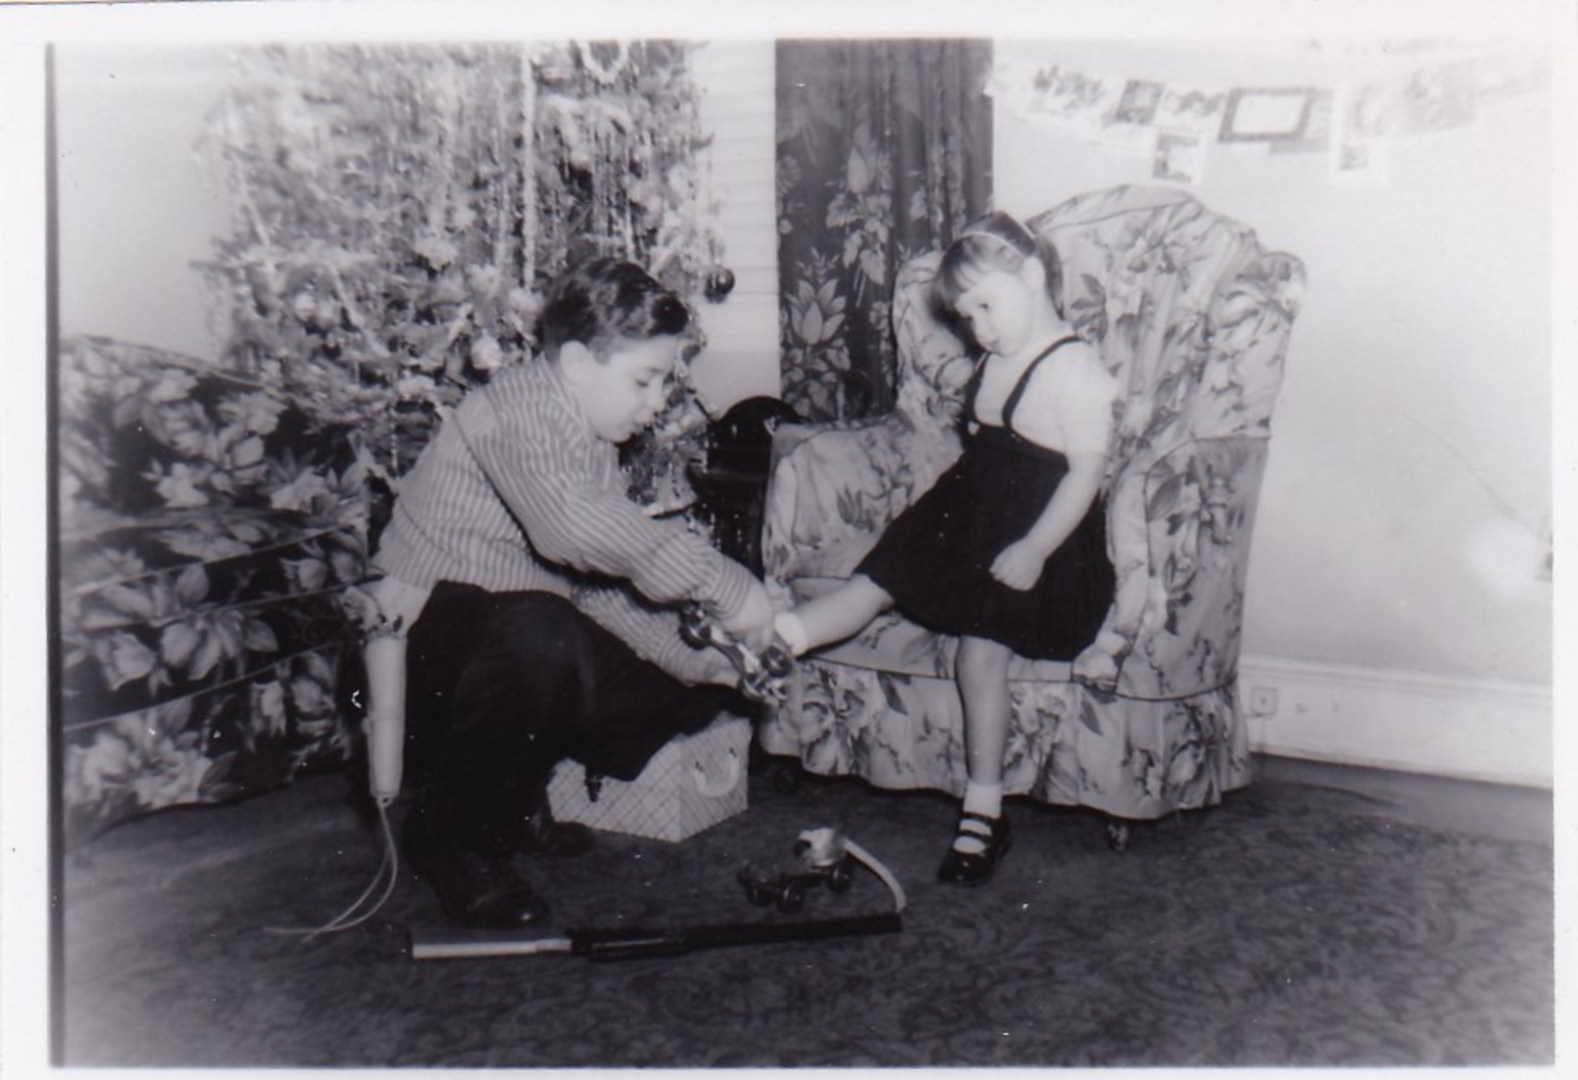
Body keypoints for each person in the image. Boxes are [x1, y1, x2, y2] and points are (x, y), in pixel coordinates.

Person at [370, 257, 775, 929]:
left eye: (666, 382)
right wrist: (724, 585)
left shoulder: (585, 434)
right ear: (581, 364)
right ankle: (452, 836)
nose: (658, 402)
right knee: (541, 634)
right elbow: (570, 530)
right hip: (416, 644)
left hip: (504, 637)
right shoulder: (519, 410)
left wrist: (704, 659)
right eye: (645, 380)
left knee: (682, 688)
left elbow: (595, 585)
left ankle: (514, 784)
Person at [772, 213, 1119, 885]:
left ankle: (983, 810)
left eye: (986, 306)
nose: (978, 329)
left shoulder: (1076, 370)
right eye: (966, 316)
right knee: (879, 576)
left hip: (1041, 538)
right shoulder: (995, 356)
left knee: (980, 647)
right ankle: (777, 636)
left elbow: (1085, 475)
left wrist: (1037, 547)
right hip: (970, 512)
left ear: (1034, 276)